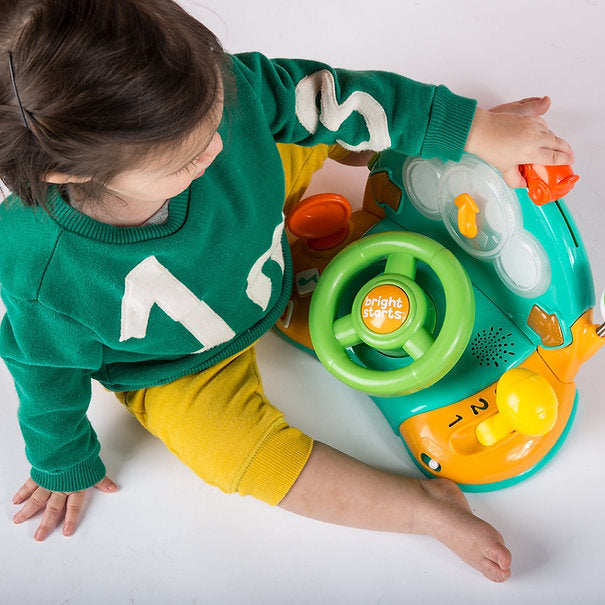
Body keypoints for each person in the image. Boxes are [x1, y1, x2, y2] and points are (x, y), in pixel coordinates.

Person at [0, 0, 573, 583]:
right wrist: (60, 459)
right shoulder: (40, 270)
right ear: (68, 173)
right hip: (183, 364)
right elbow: (40, 367)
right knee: (234, 456)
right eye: (186, 158)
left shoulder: (225, 95)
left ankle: (440, 139)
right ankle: (424, 510)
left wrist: (473, 132)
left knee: (319, 117)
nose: (216, 147)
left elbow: (335, 96)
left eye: (214, 111)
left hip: (261, 216)